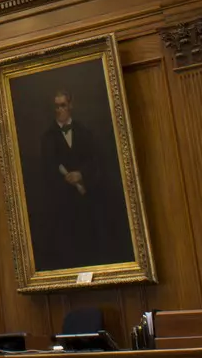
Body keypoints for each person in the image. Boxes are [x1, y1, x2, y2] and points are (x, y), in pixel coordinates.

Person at [28, 88, 131, 272]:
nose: (59, 110)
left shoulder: (84, 132)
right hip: (62, 207)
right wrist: (65, 180)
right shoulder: (47, 138)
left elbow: (95, 162)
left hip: (86, 203)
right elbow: (47, 173)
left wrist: (80, 175)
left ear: (71, 106)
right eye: (56, 107)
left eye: (63, 106)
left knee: (91, 246)